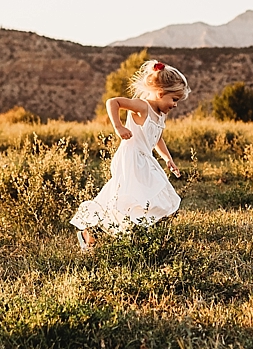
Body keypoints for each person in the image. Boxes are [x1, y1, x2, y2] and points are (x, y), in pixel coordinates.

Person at [71, 60, 188, 247]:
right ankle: (94, 232)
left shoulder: (161, 114)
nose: (175, 105)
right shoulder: (142, 106)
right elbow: (113, 102)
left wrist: (168, 159)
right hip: (131, 157)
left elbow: (157, 137)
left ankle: (143, 236)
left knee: (155, 194)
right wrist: (119, 127)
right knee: (130, 196)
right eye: (174, 99)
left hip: (146, 159)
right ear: (160, 93)